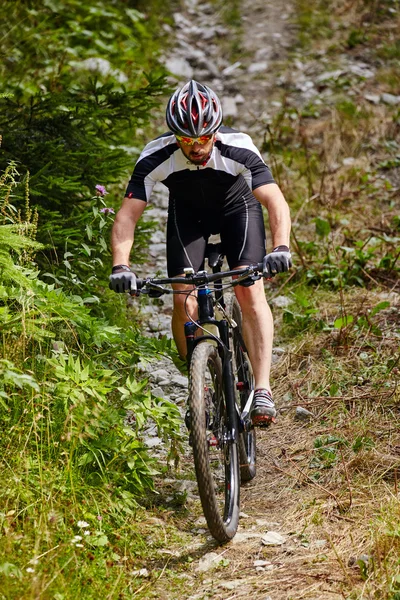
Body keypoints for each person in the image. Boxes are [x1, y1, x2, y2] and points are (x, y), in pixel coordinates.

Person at [109, 80, 292, 426]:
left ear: (216, 131)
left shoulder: (239, 147)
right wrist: (121, 265)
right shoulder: (155, 156)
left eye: (205, 137)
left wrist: (280, 246)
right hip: (188, 217)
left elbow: (274, 200)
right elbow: (126, 216)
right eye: (187, 140)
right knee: (183, 300)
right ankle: (197, 378)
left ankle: (263, 388)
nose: (197, 146)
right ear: (174, 136)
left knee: (249, 290)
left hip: (239, 209)